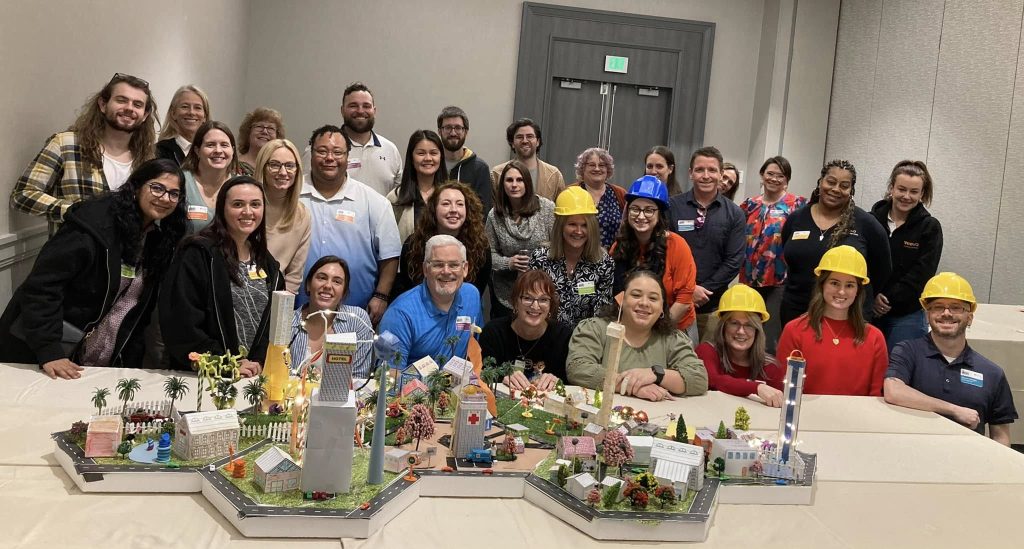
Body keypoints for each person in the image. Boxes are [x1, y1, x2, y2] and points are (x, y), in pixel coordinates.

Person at [0, 158, 188, 378]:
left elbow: (136, 311)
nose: (165, 198)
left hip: (97, 360)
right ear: (137, 186)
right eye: (157, 188)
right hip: (43, 355)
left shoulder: (157, 238)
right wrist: (49, 350)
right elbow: (43, 287)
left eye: (174, 193)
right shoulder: (93, 223)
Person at [161, 176, 283, 376]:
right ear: (222, 209)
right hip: (205, 378)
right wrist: (227, 364)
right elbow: (181, 324)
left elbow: (273, 323)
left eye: (255, 204)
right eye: (238, 204)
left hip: (252, 377)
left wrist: (259, 362)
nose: (247, 212)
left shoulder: (267, 263)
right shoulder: (198, 254)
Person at [12, 73, 158, 233]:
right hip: (74, 254)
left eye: (137, 104)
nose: (129, 108)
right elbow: (23, 195)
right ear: (103, 104)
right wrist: (77, 212)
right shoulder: (65, 144)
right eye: (121, 100)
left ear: (144, 116)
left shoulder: (146, 159)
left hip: (125, 255)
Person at [884, 273, 1017, 445]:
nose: (946, 313)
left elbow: (1000, 436)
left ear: (969, 318)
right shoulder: (907, 352)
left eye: (956, 307)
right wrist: (953, 410)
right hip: (913, 461)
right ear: (927, 315)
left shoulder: (992, 374)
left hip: (969, 465)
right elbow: (893, 391)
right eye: (938, 307)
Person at [299, 125, 401, 322]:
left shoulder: (374, 202)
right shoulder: (291, 197)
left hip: (357, 312)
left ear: (348, 156)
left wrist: (381, 296)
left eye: (338, 152)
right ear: (310, 154)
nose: (330, 158)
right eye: (322, 151)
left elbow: (390, 256)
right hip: (297, 309)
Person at [780, 159, 891, 328]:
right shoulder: (797, 219)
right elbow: (788, 255)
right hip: (796, 310)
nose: (836, 189)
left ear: (851, 190)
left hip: (847, 315)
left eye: (844, 185)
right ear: (820, 182)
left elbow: (882, 268)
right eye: (831, 182)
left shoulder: (866, 224)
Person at [566, 269, 708, 401]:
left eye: (653, 298)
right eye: (636, 295)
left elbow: (699, 378)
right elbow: (578, 368)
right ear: (622, 300)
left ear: (662, 307)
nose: (644, 303)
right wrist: (632, 386)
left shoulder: (673, 338)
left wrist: (656, 374)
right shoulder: (594, 328)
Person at [776, 246, 888, 396]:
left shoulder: (875, 338)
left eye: (849, 285)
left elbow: (876, 396)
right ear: (822, 285)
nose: (841, 291)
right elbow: (784, 391)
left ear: (858, 291)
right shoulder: (795, 330)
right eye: (834, 283)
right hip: (807, 417)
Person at [668, 146, 745, 342]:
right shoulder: (672, 206)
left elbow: (734, 260)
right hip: (674, 305)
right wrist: (688, 290)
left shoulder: (734, 214)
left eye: (712, 170)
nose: (706, 175)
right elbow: (664, 252)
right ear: (690, 173)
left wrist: (702, 290)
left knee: (708, 364)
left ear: (720, 175)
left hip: (713, 307)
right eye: (700, 170)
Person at [379, 235, 482, 371]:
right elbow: (388, 376)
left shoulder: (472, 296)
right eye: (438, 265)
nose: (446, 271)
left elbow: (476, 350)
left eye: (454, 265)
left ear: (465, 268)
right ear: (425, 269)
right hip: (412, 391)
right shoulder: (398, 315)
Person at [612, 176, 697, 339]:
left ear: (660, 214)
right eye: (635, 209)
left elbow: (684, 300)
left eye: (649, 210)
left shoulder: (677, 245)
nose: (641, 216)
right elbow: (618, 291)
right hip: (634, 327)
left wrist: (653, 333)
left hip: (675, 327)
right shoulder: (619, 246)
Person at [870, 160, 943, 350]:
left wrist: (886, 298)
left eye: (914, 192)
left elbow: (921, 274)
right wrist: (872, 296)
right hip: (867, 310)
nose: (906, 196)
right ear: (891, 188)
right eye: (901, 189)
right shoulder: (871, 220)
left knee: (900, 373)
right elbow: (862, 261)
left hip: (906, 317)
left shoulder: (930, 227)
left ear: (922, 194)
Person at [739, 156, 807, 352]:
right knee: (745, 328)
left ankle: (767, 375)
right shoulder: (749, 205)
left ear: (787, 180)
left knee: (770, 335)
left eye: (780, 175)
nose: (774, 179)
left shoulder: (798, 205)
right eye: (770, 174)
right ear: (762, 175)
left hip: (779, 280)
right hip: (749, 278)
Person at [528, 186, 613, 329]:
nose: (578, 231)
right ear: (561, 226)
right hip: (544, 336)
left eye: (584, 225)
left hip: (585, 341)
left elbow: (602, 315)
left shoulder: (603, 263)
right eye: (572, 224)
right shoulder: (540, 258)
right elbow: (530, 303)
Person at [392, 180, 490, 300]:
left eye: (460, 204)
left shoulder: (481, 247)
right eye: (446, 204)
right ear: (434, 209)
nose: (454, 210)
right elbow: (409, 289)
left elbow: (476, 292)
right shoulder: (412, 245)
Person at [303, 82, 403, 197]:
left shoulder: (390, 150)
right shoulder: (319, 151)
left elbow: (398, 197)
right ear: (342, 110)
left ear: (374, 111)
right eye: (353, 105)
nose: (360, 111)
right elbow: (304, 190)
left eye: (366, 106)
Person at [479, 270, 571, 392]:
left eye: (543, 300)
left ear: (550, 305)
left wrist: (557, 380)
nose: (535, 306)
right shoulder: (494, 332)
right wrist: (502, 378)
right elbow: (481, 374)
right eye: (527, 298)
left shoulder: (563, 336)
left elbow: (569, 382)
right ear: (515, 302)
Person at [486, 161, 556, 319]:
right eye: (509, 180)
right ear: (502, 184)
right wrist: (508, 263)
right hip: (506, 292)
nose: (514, 185)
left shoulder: (546, 208)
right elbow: (489, 254)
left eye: (520, 180)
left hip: (542, 290)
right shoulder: (494, 215)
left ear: (527, 183)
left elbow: (558, 247)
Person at [696, 285, 784, 406]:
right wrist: (756, 387)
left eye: (749, 325)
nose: (741, 331)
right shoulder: (707, 351)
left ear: (757, 330)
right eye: (734, 323)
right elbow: (712, 380)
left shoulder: (771, 368)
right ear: (723, 327)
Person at [289, 256, 373, 378]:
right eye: (322, 278)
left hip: (341, 396)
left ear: (344, 292)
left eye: (337, 281)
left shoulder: (358, 320)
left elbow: (358, 378)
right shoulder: (288, 322)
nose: (328, 285)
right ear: (308, 285)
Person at [254, 138, 310, 294]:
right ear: (262, 167)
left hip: (277, 295)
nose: (283, 172)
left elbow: (294, 277)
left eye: (290, 166)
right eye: (274, 165)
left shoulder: (302, 214)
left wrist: (280, 312)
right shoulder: (247, 206)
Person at [387, 130, 447, 243]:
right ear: (411, 158)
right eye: (421, 153)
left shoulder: (451, 195)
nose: (428, 158)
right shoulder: (395, 198)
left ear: (441, 157)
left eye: (434, 153)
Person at [180, 121, 240, 233]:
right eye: (210, 145)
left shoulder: (241, 186)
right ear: (197, 150)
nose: (218, 150)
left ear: (232, 150)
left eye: (224, 145)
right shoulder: (180, 182)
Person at [490, 118, 566, 201]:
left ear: (538, 142)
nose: (525, 141)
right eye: (519, 137)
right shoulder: (497, 174)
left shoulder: (554, 175)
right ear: (512, 143)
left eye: (530, 136)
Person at [437, 106, 491, 211]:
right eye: (448, 128)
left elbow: (483, 212)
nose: (453, 133)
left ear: (466, 132)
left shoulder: (480, 169)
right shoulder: (432, 165)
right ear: (439, 131)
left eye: (458, 128)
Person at [574, 147, 625, 248]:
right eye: (592, 165)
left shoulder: (620, 194)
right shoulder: (572, 192)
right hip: (577, 256)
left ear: (608, 169)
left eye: (602, 165)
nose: (597, 169)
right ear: (582, 169)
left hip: (613, 258)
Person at [156, 85, 210, 166]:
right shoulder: (158, 152)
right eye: (185, 107)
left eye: (198, 108)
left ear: (205, 116)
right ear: (173, 113)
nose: (191, 112)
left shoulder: (213, 150)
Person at [236, 107, 285, 176]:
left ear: (277, 135)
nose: (265, 131)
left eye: (271, 128)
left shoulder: (282, 169)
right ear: (248, 132)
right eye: (259, 126)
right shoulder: (233, 167)